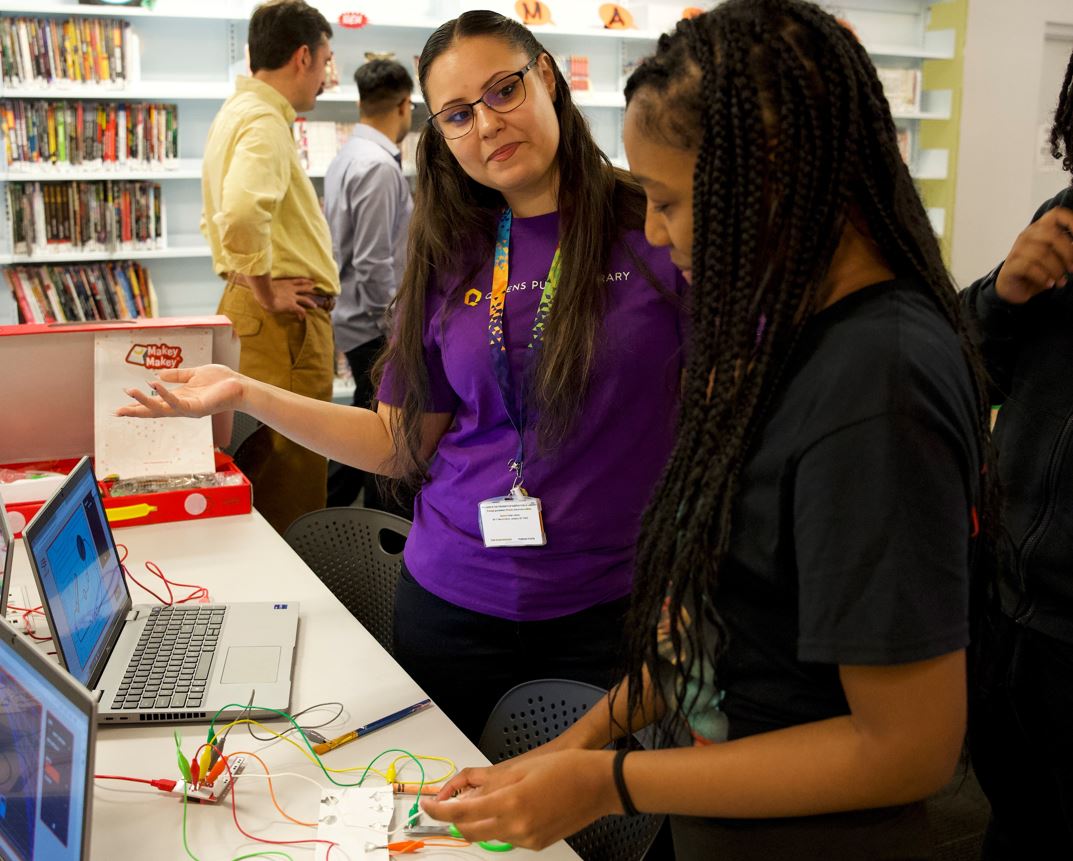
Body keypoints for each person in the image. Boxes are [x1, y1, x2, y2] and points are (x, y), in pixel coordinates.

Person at [420, 3, 996, 859]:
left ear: (768, 178)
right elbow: (725, 620)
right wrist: (571, 746)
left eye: (669, 202)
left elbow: (903, 747)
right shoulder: (798, 338)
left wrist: (609, 780)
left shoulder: (879, 383)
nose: (653, 231)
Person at [118, 11, 684, 743]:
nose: (485, 126)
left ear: (545, 76)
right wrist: (247, 392)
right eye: (456, 114)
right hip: (448, 604)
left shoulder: (656, 225)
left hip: (609, 614)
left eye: (503, 90)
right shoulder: (453, 247)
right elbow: (397, 444)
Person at [961, 46, 1073, 861]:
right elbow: (970, 369)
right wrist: (1004, 291)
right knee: (1014, 822)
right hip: (1006, 605)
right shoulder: (1064, 212)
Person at [201, 0, 339, 535]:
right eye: (326, 60)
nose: (326, 77)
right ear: (303, 56)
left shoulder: (237, 112)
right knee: (292, 476)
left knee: (258, 464)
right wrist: (266, 291)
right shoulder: (264, 121)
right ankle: (302, 609)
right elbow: (238, 212)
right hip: (283, 323)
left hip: (255, 313)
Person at [324, 58, 415, 511]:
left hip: (354, 319)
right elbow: (375, 261)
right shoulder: (379, 166)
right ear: (405, 105)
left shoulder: (347, 156)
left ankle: (333, 528)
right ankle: (377, 543)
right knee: (383, 443)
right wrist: (400, 327)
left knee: (361, 435)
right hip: (376, 326)